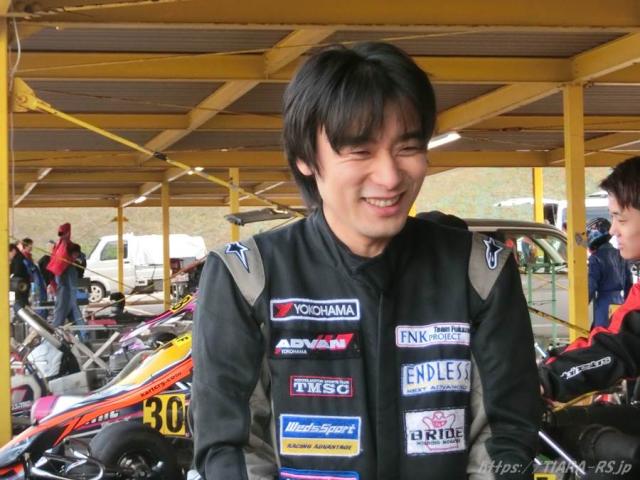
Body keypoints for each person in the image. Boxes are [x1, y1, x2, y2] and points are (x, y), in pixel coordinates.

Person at [192, 42, 540, 480]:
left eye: (408, 147)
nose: (390, 177)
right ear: (305, 158)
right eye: (360, 151)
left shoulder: (481, 272)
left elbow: (507, 436)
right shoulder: (246, 278)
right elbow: (230, 448)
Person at [540, 156, 640, 402]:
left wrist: (544, 379)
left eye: (621, 219)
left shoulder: (598, 258)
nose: (613, 230)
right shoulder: (620, 259)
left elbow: (617, 347)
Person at [586, 218, 632, 329]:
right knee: (616, 332)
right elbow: (629, 283)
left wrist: (583, 303)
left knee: (601, 334)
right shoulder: (620, 255)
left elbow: (591, 286)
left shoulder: (595, 258)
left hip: (604, 305)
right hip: (620, 302)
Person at [47, 223, 87, 340]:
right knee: (66, 313)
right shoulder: (60, 248)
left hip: (66, 289)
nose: (61, 236)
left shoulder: (61, 247)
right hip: (64, 289)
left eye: (62, 233)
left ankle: (83, 336)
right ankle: (82, 336)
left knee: (68, 312)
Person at [10, 240, 31, 313]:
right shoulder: (17, 258)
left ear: (13, 251)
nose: (8, 255)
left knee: (21, 303)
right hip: (22, 285)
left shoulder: (18, 259)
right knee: (22, 302)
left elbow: (17, 273)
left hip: (21, 285)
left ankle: (22, 316)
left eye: (9, 253)